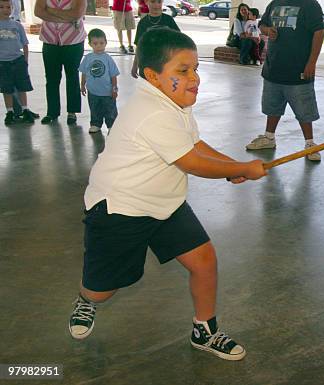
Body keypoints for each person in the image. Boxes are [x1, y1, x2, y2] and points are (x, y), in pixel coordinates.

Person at [67, 28, 267, 361]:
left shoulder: (174, 102)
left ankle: (205, 330)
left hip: (164, 203)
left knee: (204, 262)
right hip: (120, 208)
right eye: (183, 71)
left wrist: (235, 166)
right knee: (103, 289)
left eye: (196, 69)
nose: (195, 78)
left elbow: (195, 144)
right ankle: (87, 300)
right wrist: (244, 170)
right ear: (152, 76)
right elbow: (190, 161)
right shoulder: (152, 111)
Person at [245, 0, 324, 161]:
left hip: (299, 69)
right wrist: (268, 30)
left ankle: (310, 144)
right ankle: (269, 138)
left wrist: (312, 62)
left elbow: (319, 32)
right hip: (273, 67)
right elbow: (262, 25)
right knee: (272, 106)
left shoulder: (310, 5)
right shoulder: (275, 3)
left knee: (304, 109)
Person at [34, 0, 86, 125]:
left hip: (73, 41)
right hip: (50, 40)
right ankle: (52, 112)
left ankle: (72, 112)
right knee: (51, 78)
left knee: (72, 77)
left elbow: (76, 14)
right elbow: (38, 11)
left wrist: (49, 11)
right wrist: (65, 16)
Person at [0, 0, 36, 124]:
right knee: (7, 88)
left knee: (22, 86)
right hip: (3, 62)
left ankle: (25, 109)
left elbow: (25, 43)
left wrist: (25, 59)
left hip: (18, 60)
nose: (5, 10)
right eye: (2, 7)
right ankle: (10, 111)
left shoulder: (17, 25)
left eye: (8, 7)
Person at [79, 29, 120, 134]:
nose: (99, 46)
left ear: (106, 43)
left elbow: (113, 75)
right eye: (95, 43)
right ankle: (95, 124)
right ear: (90, 44)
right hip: (93, 91)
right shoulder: (88, 58)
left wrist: (114, 89)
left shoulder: (108, 59)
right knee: (94, 109)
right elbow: (84, 72)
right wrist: (82, 85)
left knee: (110, 110)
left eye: (101, 43)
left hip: (107, 92)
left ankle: (112, 125)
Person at [130, 0, 180, 78]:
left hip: (166, 64)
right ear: (146, 2)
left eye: (159, 2)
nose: (156, 5)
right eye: (153, 2)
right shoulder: (143, 22)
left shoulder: (168, 20)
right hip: (147, 65)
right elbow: (139, 46)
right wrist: (135, 65)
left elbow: (180, 42)